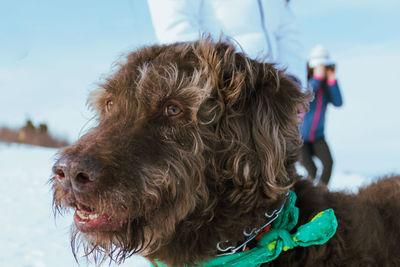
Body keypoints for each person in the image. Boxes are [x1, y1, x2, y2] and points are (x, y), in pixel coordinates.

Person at [147, 0, 307, 88]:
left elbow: (287, 29)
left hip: (271, 97)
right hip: (224, 93)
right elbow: (176, 26)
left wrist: (293, 81)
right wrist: (221, 81)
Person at [300, 45, 343, 185]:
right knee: (311, 170)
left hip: (318, 136)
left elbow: (338, 102)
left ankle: (321, 194)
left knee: (329, 164)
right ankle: (310, 198)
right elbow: (305, 96)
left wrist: (332, 81)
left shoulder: (327, 87)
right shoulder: (306, 83)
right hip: (300, 139)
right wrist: (317, 78)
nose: (323, 69)